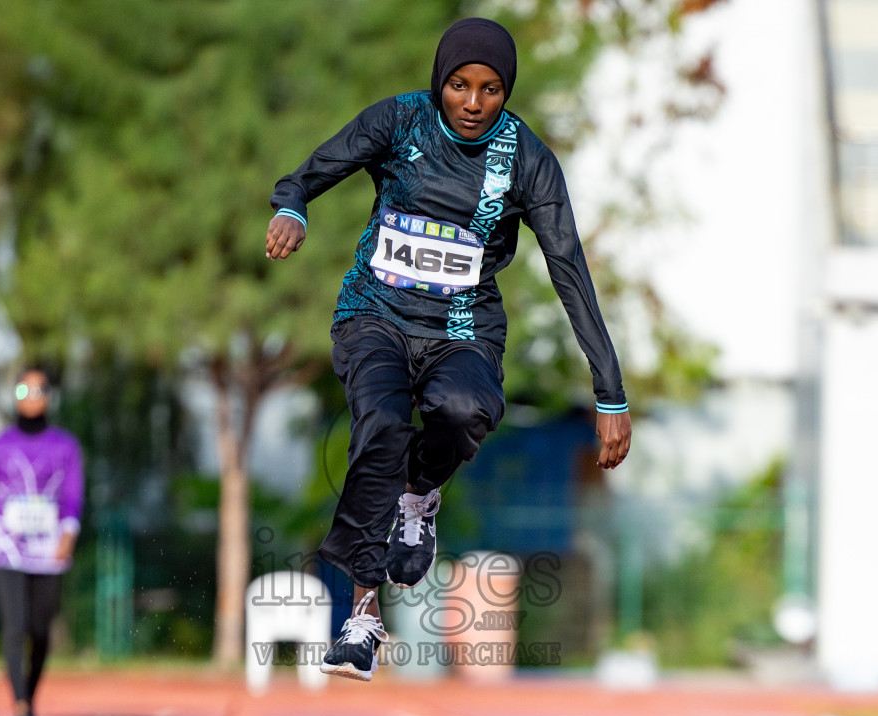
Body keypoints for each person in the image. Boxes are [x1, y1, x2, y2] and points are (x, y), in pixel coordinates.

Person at [267, 18, 632, 680]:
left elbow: (569, 270)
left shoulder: (526, 161)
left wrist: (610, 391)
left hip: (462, 329)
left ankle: (419, 493)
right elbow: (306, 175)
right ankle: (362, 614)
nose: (472, 102)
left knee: (466, 409)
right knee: (378, 427)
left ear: (506, 91)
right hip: (374, 315)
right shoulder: (400, 123)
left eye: (490, 90)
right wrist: (292, 208)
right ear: (440, 83)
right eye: (459, 86)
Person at [0, 368, 83, 716]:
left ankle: (31, 694)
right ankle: (21, 706)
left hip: (48, 549)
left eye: (39, 388)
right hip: (6, 547)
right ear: (15, 395)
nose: (31, 394)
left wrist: (68, 533)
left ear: (49, 396)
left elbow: (73, 495)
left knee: (39, 629)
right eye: (24, 388)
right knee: (14, 625)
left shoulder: (65, 446)